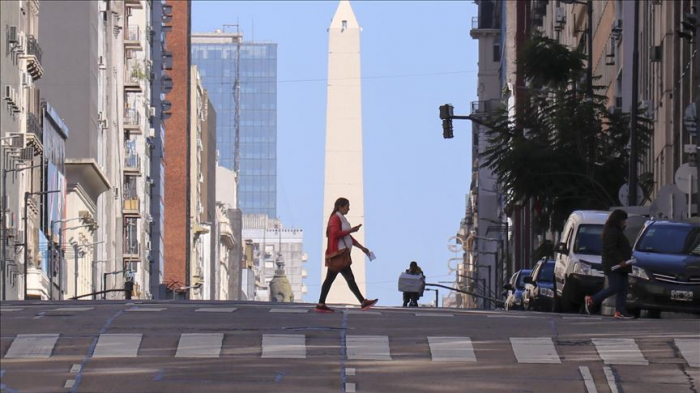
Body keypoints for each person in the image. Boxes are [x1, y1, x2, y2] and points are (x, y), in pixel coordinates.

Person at [315, 197, 378, 313]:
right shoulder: (336, 219)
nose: (349, 209)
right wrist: (351, 230)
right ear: (340, 206)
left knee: (333, 279)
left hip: (340, 254)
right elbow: (335, 233)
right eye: (347, 206)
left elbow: (348, 238)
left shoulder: (340, 218)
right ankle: (363, 302)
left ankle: (321, 303)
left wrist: (361, 247)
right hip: (338, 254)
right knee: (347, 279)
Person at [584, 209, 635, 319]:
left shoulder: (617, 231)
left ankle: (620, 310)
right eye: (624, 220)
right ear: (619, 220)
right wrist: (620, 260)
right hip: (615, 265)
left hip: (622, 265)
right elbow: (611, 249)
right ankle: (592, 300)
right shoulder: (612, 231)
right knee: (615, 287)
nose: (625, 223)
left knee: (623, 288)